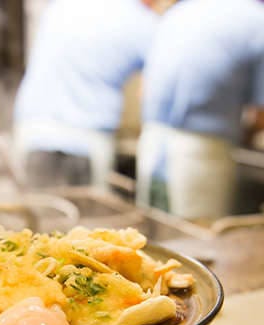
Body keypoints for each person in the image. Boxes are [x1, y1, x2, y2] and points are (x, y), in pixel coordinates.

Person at [137, 0, 264, 219]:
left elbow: (144, 90)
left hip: (151, 143)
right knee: (196, 240)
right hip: (203, 153)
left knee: (151, 236)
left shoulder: (178, 11)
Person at [13, 0, 161, 191]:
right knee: (87, 217)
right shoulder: (143, 23)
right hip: (86, 141)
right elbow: (157, 91)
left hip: (32, 132)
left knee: (33, 213)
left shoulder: (63, 5)